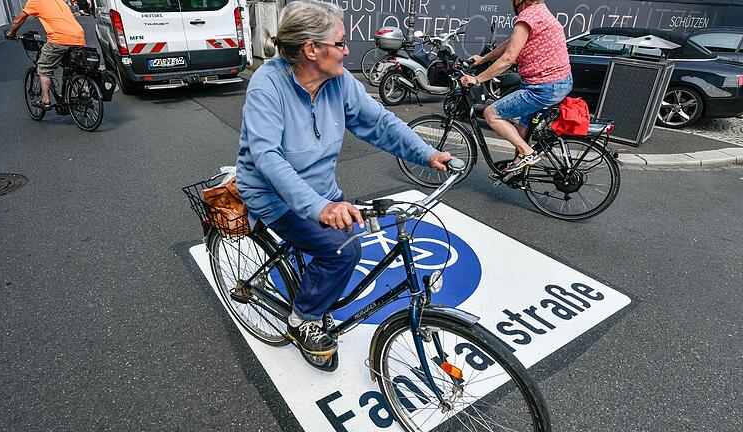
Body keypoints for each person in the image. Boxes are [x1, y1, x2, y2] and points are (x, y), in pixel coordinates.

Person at [235, 0, 451, 359]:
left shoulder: (338, 81)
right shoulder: (267, 85)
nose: (348, 51)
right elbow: (268, 159)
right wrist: (319, 208)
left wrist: (427, 153)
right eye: (341, 43)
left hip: (320, 191)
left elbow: (379, 123)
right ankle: (302, 318)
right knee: (343, 251)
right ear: (311, 50)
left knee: (345, 236)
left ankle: (313, 280)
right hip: (273, 196)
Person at [460, 0, 572, 173]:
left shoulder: (527, 16)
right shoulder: (540, 11)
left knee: (491, 114)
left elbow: (507, 59)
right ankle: (520, 167)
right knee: (522, 129)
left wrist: (477, 79)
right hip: (558, 82)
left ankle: (527, 152)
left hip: (543, 87)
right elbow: (511, 43)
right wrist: (483, 59)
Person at [6, 0, 86, 109]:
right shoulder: (59, 1)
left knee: (44, 66)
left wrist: (12, 33)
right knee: (74, 66)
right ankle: (83, 92)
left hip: (59, 39)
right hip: (79, 37)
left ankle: (45, 100)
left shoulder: (35, 1)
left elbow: (18, 20)